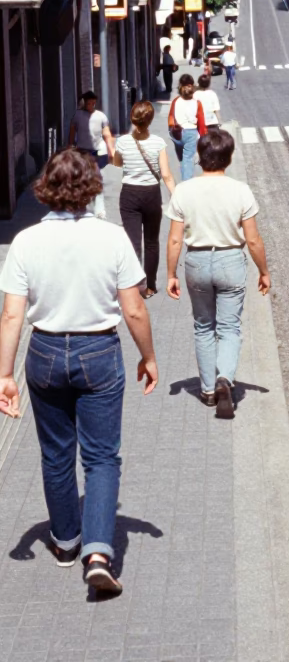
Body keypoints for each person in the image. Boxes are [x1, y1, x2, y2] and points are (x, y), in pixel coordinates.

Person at [0, 149, 157, 595]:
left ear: (46, 187)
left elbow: (12, 316)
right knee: (102, 457)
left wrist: (4, 375)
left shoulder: (26, 241)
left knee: (56, 454)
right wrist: (149, 356)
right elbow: (135, 309)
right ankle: (99, 554)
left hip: (44, 351)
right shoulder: (111, 239)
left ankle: (66, 542)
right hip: (99, 351)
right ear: (91, 186)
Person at [165, 129, 270, 418]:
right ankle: (225, 376)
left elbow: (174, 239)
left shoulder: (184, 190)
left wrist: (171, 274)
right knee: (229, 327)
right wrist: (264, 271)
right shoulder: (240, 190)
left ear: (199, 157)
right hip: (231, 261)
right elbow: (253, 240)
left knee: (203, 327)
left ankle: (209, 391)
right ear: (229, 157)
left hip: (197, 261)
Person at [113, 101, 176, 298]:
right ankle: (150, 286)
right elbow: (166, 174)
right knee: (151, 242)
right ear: (149, 121)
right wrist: (177, 196)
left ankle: (133, 285)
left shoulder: (123, 142)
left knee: (132, 242)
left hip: (130, 194)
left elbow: (116, 163)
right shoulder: (158, 143)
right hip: (151, 194)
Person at [68, 91, 115, 219]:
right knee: (81, 179)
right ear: (84, 103)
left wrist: (111, 150)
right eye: (89, 103)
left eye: (93, 103)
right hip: (82, 151)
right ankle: (81, 207)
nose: (91, 106)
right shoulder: (78, 115)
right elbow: (72, 130)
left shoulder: (101, 116)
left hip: (96, 151)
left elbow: (106, 133)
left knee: (96, 178)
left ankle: (99, 210)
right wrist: (70, 146)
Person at [167, 75, 205, 181]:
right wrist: (203, 138)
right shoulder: (197, 103)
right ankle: (186, 184)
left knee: (182, 159)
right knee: (188, 159)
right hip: (191, 134)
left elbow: (171, 117)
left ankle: (184, 174)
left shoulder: (175, 101)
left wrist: (171, 130)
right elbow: (201, 123)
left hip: (177, 133)